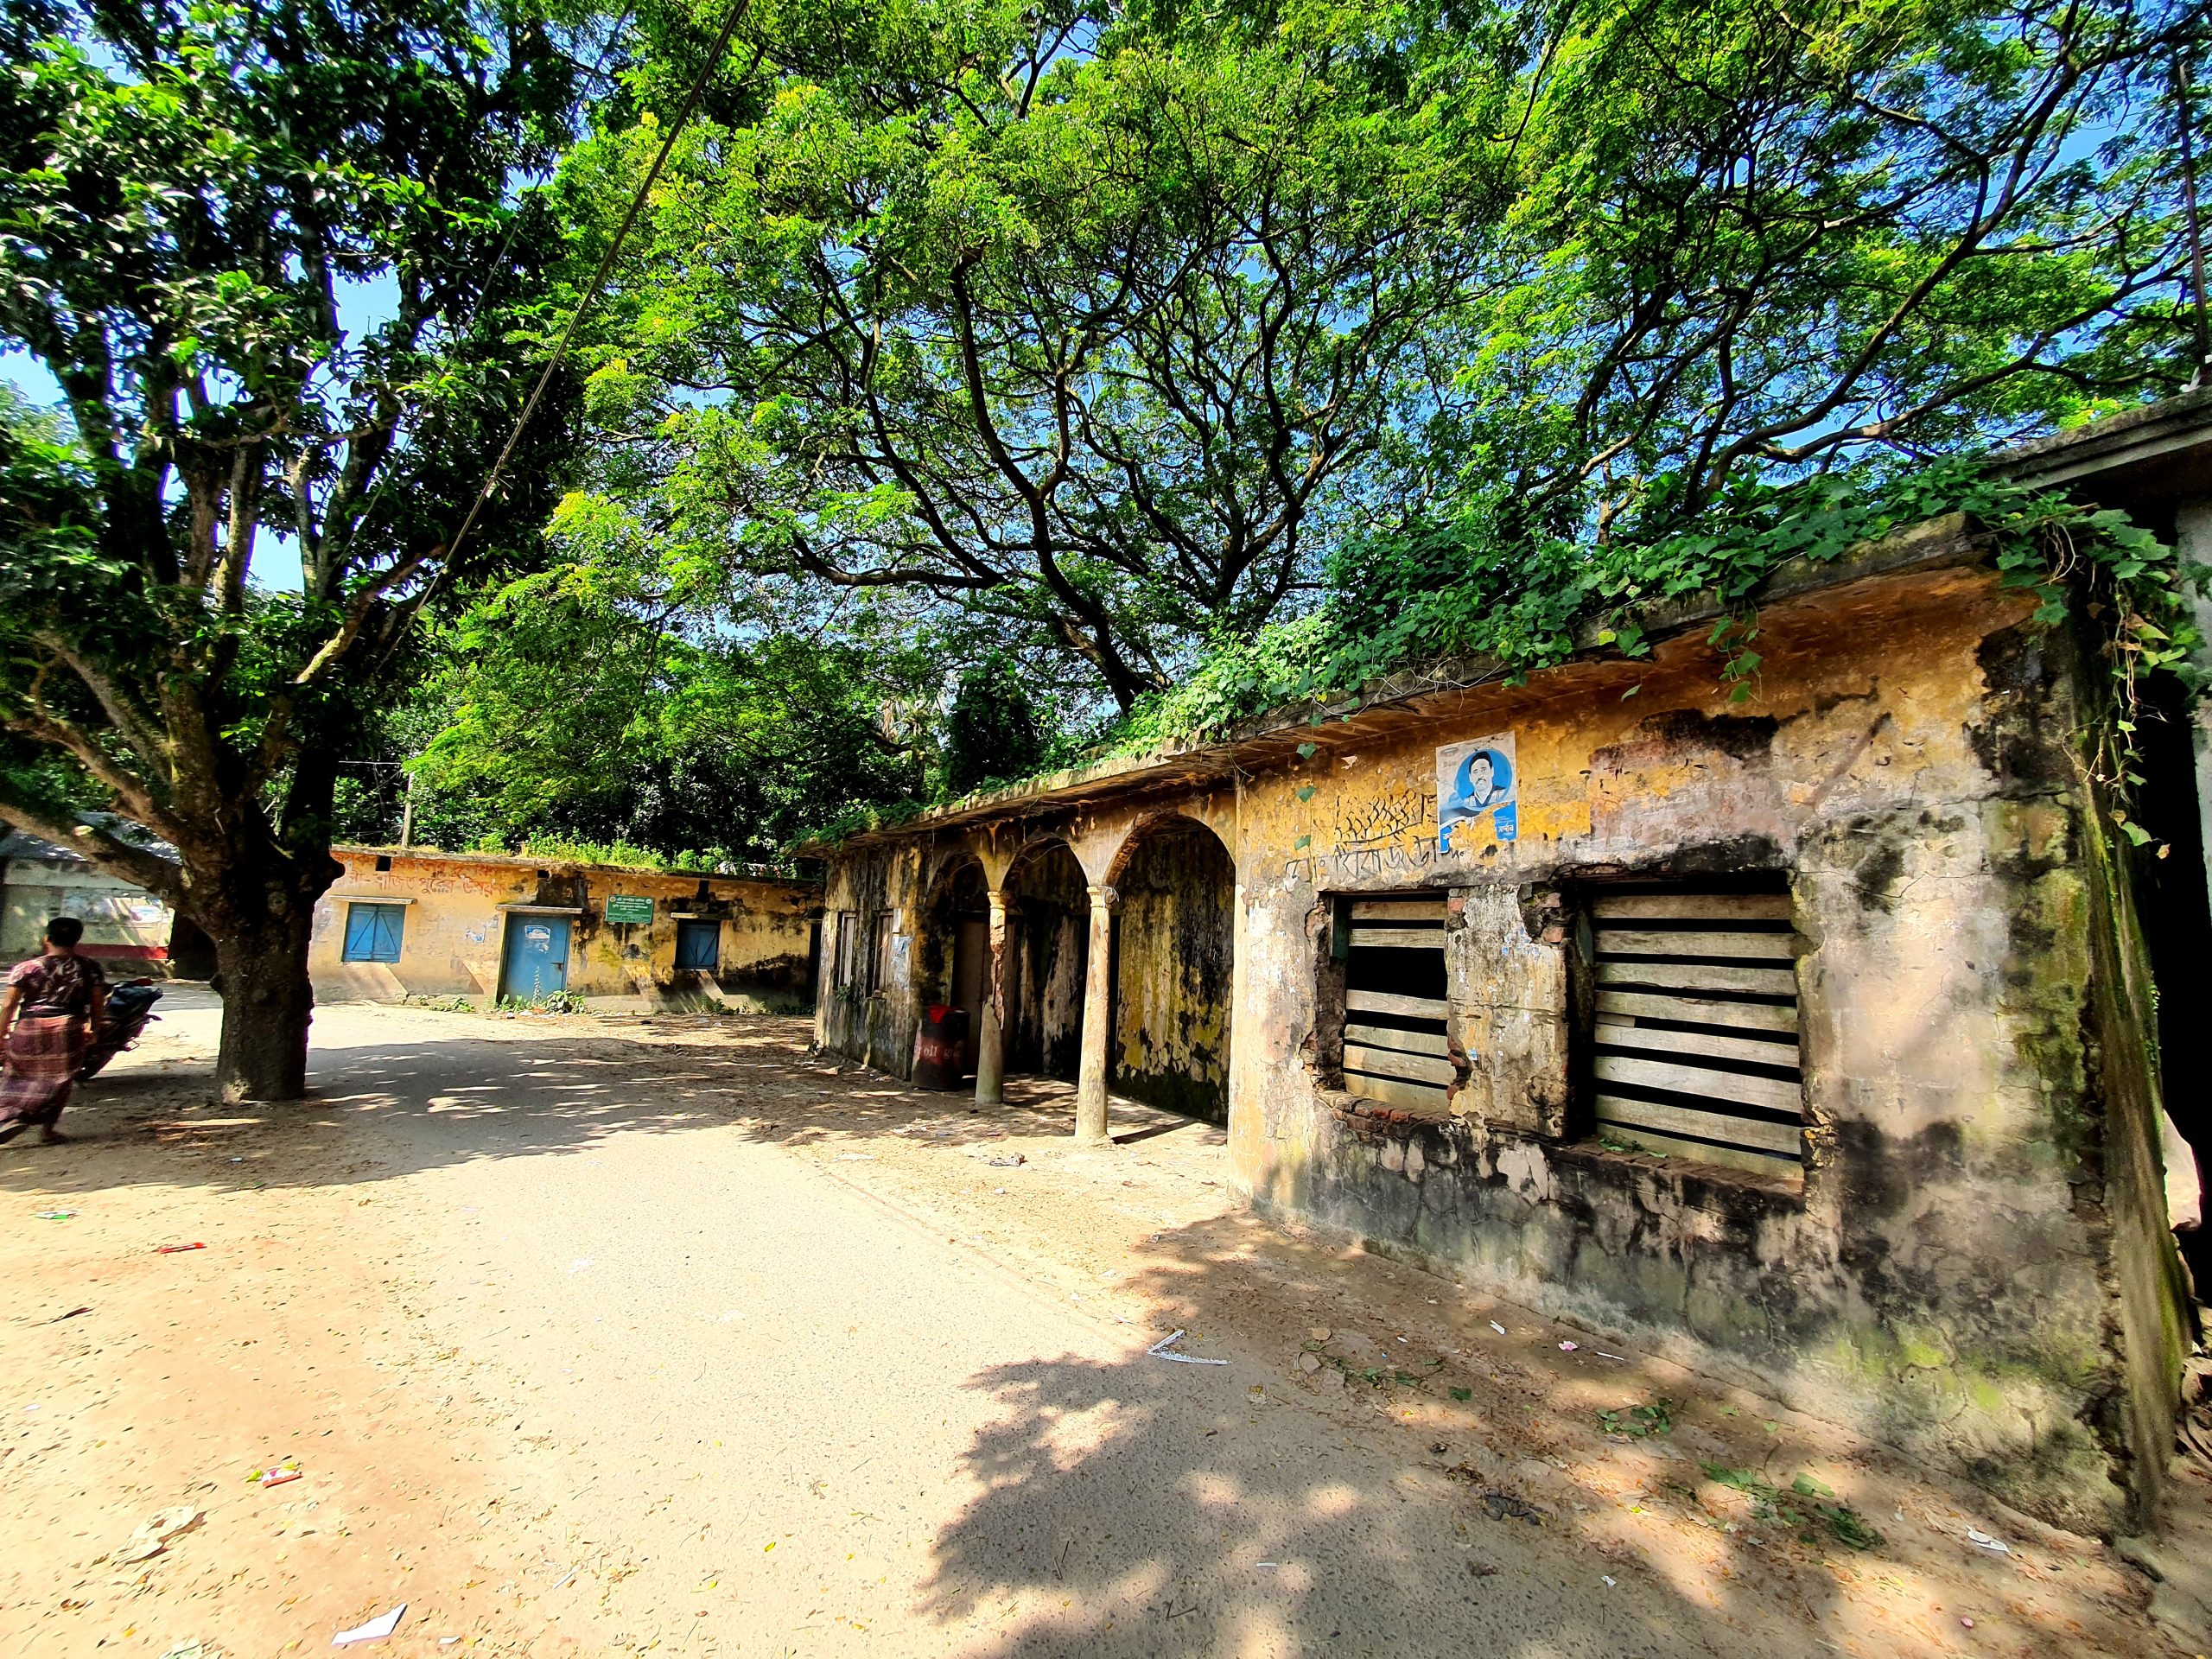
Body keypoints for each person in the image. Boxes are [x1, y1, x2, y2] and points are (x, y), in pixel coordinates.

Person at [0, 917, 109, 1146]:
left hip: (28, 1028)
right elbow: (98, 1002)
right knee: (59, 1081)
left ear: (46, 939)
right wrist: (94, 1028)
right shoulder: (90, 968)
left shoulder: (25, 969)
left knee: (16, 1074)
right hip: (67, 1028)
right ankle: (47, 1131)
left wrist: (1, 1032)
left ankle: (9, 1116)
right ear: (77, 940)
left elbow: (9, 1005)